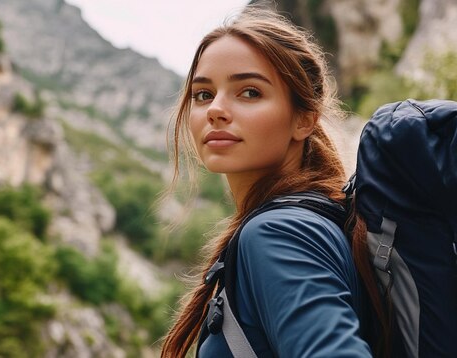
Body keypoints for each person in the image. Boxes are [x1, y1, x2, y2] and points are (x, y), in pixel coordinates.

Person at [160, 7, 387, 358]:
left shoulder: (278, 232)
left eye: (249, 92)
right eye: (203, 94)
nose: (215, 109)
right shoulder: (321, 216)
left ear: (304, 120)